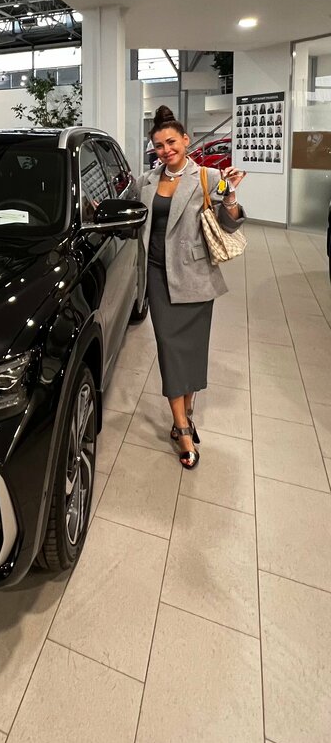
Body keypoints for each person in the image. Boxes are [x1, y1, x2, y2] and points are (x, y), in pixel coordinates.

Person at [136, 104, 247, 469]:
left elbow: (229, 223)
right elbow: (128, 216)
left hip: (195, 276)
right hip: (157, 276)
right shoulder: (146, 181)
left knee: (193, 351)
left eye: (171, 142)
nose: (166, 150)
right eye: (159, 145)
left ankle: (187, 409)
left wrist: (230, 195)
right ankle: (182, 427)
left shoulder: (208, 176)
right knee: (169, 348)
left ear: (185, 140)